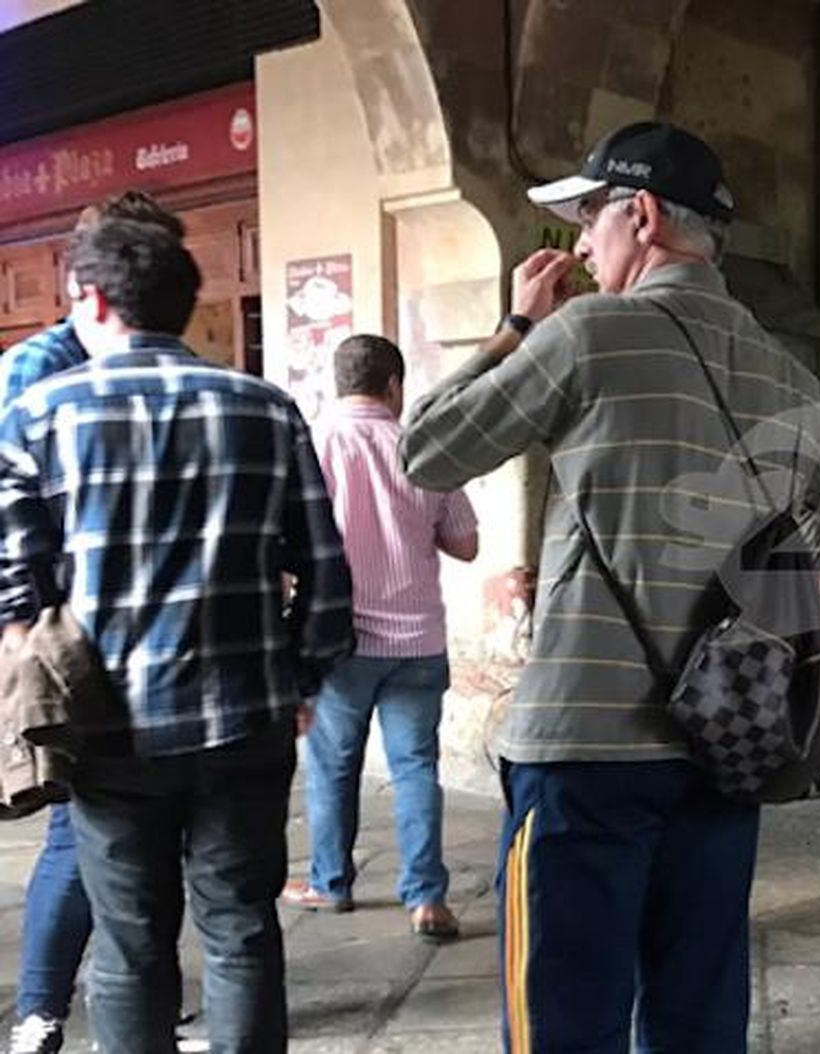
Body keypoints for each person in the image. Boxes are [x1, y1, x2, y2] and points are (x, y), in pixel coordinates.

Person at [398, 121, 820, 1052]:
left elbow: (426, 449)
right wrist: (780, 640)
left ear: (642, 214)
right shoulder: (783, 372)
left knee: (564, 1022)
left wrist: (515, 326)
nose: (582, 246)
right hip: (723, 746)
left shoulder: (589, 333)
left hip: (583, 753)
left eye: (590, 217)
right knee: (696, 1022)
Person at [0, 218, 353, 1053]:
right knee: (242, 927)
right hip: (247, 717)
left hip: (107, 726)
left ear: (90, 298)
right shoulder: (266, 407)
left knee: (129, 941)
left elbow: (13, 576)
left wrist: (32, 660)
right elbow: (327, 573)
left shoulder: (39, 415)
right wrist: (300, 678)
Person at [0, 191, 207, 1054]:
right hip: (75, 646)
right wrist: (23, 630)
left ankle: (125, 999)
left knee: (129, 843)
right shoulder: (38, 370)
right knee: (73, 829)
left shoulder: (142, 361)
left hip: (149, 638)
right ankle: (43, 1011)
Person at [280, 334, 479, 940]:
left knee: (332, 767)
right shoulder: (422, 446)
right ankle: (427, 898)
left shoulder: (314, 444)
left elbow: (286, 543)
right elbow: (466, 544)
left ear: (338, 382)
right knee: (416, 766)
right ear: (394, 385)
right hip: (418, 640)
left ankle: (330, 883)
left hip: (340, 641)